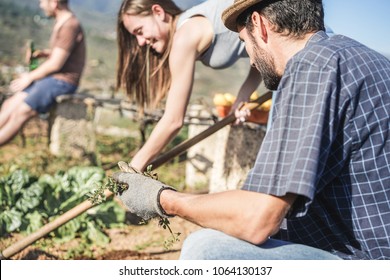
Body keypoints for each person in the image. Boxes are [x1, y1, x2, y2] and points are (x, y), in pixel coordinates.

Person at [112, 0, 390, 260]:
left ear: (259, 25)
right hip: (363, 238)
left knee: (207, 250)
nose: (251, 59)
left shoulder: (310, 71)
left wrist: (162, 198)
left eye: (244, 42)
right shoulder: (360, 57)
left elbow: (257, 220)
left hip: (368, 258)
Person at [116, 0, 262, 171]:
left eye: (139, 31)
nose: (140, 42)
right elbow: (263, 50)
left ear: (158, 12)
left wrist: (131, 170)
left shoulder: (184, 37)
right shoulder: (188, 26)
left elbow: (173, 121)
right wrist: (244, 95)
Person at [0, 0, 86, 146]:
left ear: (54, 3)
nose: (41, 5)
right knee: (9, 104)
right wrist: (44, 54)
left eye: (42, 1)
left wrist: (29, 77)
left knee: (21, 112)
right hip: (52, 79)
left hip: (62, 81)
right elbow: (62, 52)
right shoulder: (62, 21)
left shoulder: (69, 26)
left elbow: (55, 64)